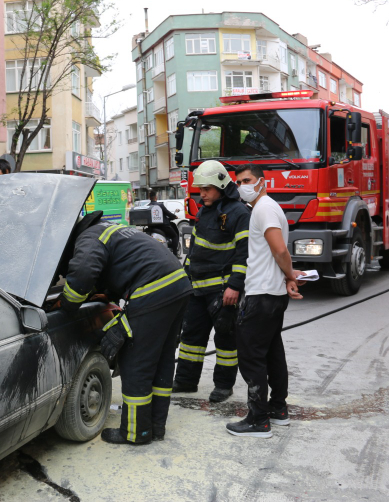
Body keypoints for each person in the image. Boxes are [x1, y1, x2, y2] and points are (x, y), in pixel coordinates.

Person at [59, 212, 191, 445]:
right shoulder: (113, 230)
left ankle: (134, 433)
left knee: (135, 360)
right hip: (177, 285)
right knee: (160, 360)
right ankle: (155, 427)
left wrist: (67, 303)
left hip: (154, 289)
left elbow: (82, 273)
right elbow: (122, 267)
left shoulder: (89, 238)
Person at [225, 164, 305, 439]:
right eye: (238, 182)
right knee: (272, 353)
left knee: (251, 357)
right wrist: (288, 277)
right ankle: (278, 410)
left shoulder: (263, 208)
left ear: (262, 182)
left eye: (246, 180)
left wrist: (290, 274)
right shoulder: (268, 207)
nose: (242, 185)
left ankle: (258, 420)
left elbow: (279, 248)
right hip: (273, 294)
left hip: (261, 295)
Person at [172, 160, 250, 403]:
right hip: (197, 287)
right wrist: (185, 279)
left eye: (206, 189)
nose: (202, 194)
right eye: (200, 189)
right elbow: (193, 250)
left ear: (220, 185)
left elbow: (243, 253)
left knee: (225, 338)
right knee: (191, 337)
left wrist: (235, 286)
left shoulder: (238, 213)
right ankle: (185, 381)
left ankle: (224, 385)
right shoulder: (205, 210)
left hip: (222, 289)